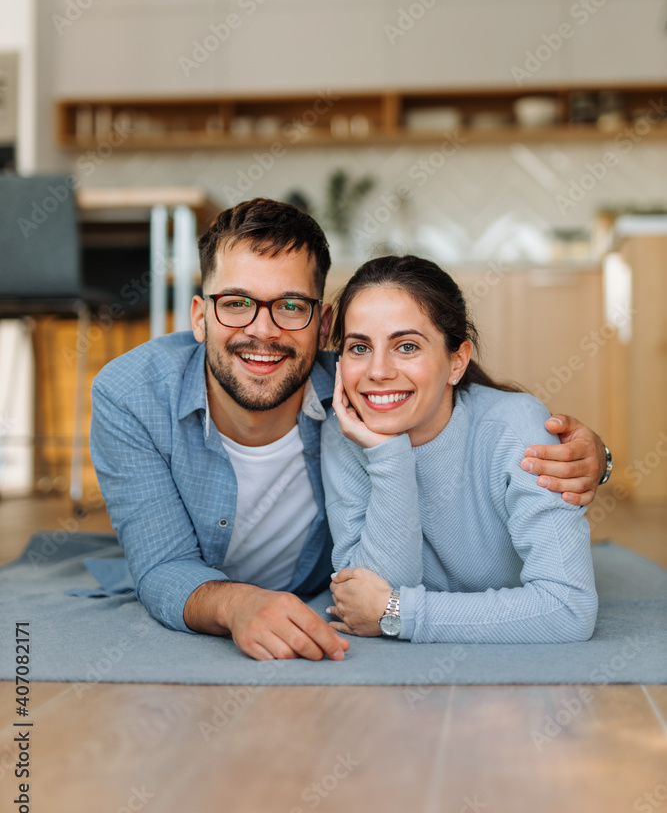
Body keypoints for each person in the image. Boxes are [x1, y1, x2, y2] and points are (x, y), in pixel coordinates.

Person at [91, 199, 607, 661]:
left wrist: (595, 458)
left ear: (322, 326)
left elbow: (472, 412)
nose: (263, 330)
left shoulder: (357, 398)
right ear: (200, 317)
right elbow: (163, 567)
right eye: (236, 302)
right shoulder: (132, 398)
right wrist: (236, 604)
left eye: (291, 305)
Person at [322, 255, 599, 644]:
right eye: (359, 348)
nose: (378, 371)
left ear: (457, 362)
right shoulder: (343, 432)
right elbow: (365, 597)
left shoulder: (515, 427)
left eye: (406, 346)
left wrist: (400, 612)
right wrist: (389, 456)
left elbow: (568, 607)